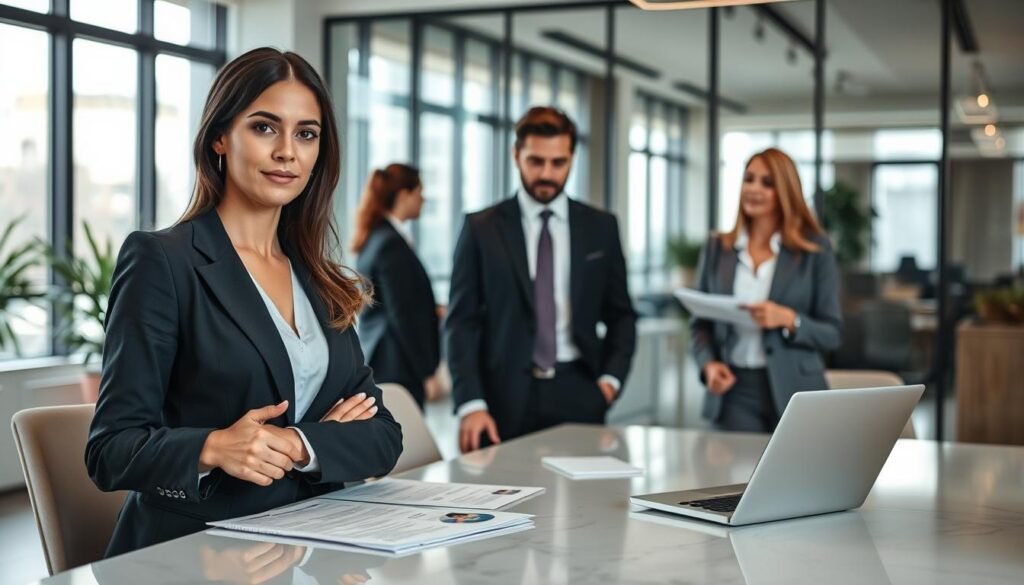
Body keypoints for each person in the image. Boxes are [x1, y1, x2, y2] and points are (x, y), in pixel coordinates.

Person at [85, 47, 403, 556]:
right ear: (219, 138)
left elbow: (383, 436)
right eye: (264, 127)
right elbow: (110, 449)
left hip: (315, 541)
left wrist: (301, 444)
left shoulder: (321, 279)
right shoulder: (163, 261)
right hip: (196, 552)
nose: (287, 152)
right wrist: (214, 447)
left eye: (306, 133)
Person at [446, 106, 637, 453]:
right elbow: (462, 323)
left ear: (572, 158)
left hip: (580, 391)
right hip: (501, 398)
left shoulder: (601, 227)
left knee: (582, 503)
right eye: (536, 161)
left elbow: (621, 314)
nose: (546, 173)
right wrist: (471, 402)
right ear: (516, 155)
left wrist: (609, 382)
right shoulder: (481, 228)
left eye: (558, 162)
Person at [691, 147, 841, 433]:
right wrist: (708, 364)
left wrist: (788, 319)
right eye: (749, 179)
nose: (754, 189)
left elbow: (832, 333)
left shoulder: (815, 250)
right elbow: (700, 324)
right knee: (738, 476)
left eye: (767, 183)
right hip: (734, 391)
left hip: (797, 391)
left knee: (797, 477)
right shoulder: (716, 248)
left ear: (786, 191)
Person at [351, 164, 440, 410]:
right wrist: (426, 372)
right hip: (397, 364)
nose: (423, 199)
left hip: (385, 359)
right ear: (403, 195)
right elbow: (403, 314)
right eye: (419, 191)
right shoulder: (391, 243)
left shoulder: (377, 237)